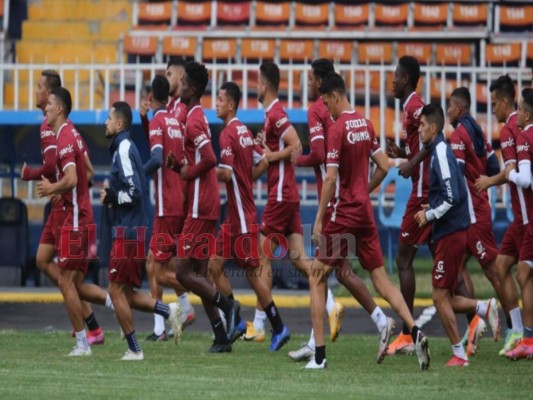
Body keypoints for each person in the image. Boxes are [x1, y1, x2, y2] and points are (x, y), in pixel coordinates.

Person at [305, 72, 430, 370]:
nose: (326, 107)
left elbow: (330, 178)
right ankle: (415, 330)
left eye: (326, 101)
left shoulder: (337, 128)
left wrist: (320, 219)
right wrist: (365, 190)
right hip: (364, 212)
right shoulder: (366, 122)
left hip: (343, 213)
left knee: (315, 276)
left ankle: (319, 356)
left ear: (335, 96)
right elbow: (385, 166)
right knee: (381, 280)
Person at [289, 59, 394, 363]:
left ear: (320, 84)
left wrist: (300, 160)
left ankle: (318, 345)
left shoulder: (318, 110)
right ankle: (379, 322)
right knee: (343, 271)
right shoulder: (345, 113)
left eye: (310, 79)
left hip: (335, 201)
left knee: (318, 273)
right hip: (348, 198)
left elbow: (321, 154)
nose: (307, 84)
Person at [21, 70, 110, 345]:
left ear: (52, 98)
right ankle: (91, 321)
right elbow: (89, 170)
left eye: (39, 88)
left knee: (69, 281)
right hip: (65, 207)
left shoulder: (55, 131)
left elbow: (55, 167)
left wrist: (37, 177)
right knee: (44, 262)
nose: (36, 93)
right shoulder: (65, 129)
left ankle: (95, 323)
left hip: (68, 211)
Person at [414, 104, 499, 367]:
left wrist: (429, 215)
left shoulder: (440, 152)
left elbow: (454, 195)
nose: (419, 130)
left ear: (433, 127)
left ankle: (459, 355)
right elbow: (449, 193)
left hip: (450, 233)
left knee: (439, 298)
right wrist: (433, 205)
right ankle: (484, 308)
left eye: (421, 125)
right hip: (451, 230)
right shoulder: (438, 150)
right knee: (446, 296)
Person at [208, 81, 292, 348]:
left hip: (242, 218)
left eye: (220, 99)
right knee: (214, 265)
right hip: (236, 215)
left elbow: (226, 172)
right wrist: (245, 179)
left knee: (254, 275)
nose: (216, 103)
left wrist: (203, 171)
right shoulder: (243, 130)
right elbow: (264, 161)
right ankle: (237, 318)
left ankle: (278, 326)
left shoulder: (227, 134)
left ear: (231, 104)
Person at [166, 61, 238, 353]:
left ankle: (229, 306)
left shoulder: (194, 119)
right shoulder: (196, 116)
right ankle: (221, 336)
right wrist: (180, 165)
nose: (179, 88)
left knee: (183, 273)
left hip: (200, 203)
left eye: (183, 84)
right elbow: (199, 157)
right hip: (205, 200)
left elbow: (209, 158)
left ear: (192, 89)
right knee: (199, 275)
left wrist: (188, 172)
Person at [100, 101, 181, 360]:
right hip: (135, 229)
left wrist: (112, 196)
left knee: (114, 290)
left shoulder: (123, 148)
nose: (105, 122)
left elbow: (134, 192)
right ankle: (170, 312)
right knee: (126, 293)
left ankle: (134, 349)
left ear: (119, 123)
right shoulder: (128, 147)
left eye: (109, 118)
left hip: (129, 231)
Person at [140, 58, 195, 340]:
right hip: (179, 199)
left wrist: (137, 174)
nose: (169, 76)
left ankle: (193, 305)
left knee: (157, 267)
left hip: (168, 204)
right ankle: (162, 325)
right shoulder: (174, 119)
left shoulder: (169, 116)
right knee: (163, 265)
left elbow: (158, 157)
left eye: (172, 72)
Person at [447, 87, 503, 355]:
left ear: (459, 108)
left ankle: (518, 330)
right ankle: (476, 323)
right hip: (477, 209)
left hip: (470, 216)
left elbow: (457, 178)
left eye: (449, 106)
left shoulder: (459, 135)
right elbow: (494, 168)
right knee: (457, 271)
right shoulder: (479, 130)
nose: (447, 111)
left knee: (494, 272)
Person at [475, 75, 526, 355]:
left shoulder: (509, 131)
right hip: (521, 217)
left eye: (494, 104)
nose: (492, 109)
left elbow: (510, 174)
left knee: (520, 273)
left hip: (525, 218)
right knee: (502, 267)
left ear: (505, 103)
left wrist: (487, 181)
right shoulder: (523, 126)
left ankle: (522, 333)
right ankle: (518, 331)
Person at [385, 56, 433, 354]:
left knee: (403, 261)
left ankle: (405, 333)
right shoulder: (410, 108)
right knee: (445, 255)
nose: (393, 81)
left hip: (422, 192)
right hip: (427, 188)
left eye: (396, 76)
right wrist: (402, 153)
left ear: (407, 80)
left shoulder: (415, 108)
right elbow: (420, 147)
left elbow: (432, 142)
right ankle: (477, 314)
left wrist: (410, 163)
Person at [503, 88, 533, 360]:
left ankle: (528, 338)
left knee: (523, 275)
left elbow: (526, 180)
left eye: (521, 110)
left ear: (527, 113)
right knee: (523, 274)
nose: (518, 115)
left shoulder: (524, 137)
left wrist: (508, 174)